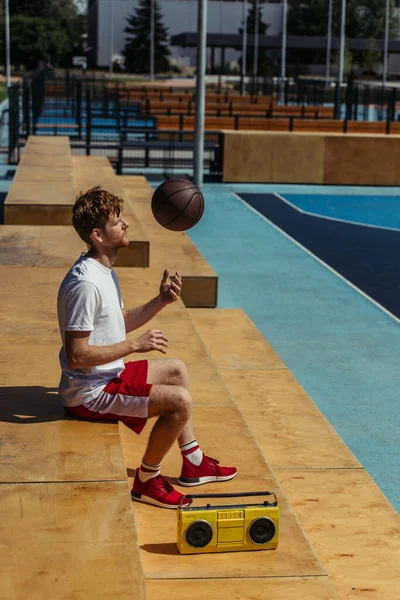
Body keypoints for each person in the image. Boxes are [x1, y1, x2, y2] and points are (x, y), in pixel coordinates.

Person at [57, 186, 237, 509]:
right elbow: (77, 354)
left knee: (176, 370)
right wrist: (134, 346)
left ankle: (193, 461)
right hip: (90, 394)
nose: (125, 224)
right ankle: (148, 479)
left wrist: (161, 300)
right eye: (117, 221)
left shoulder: (103, 271)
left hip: (107, 377)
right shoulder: (85, 284)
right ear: (98, 234)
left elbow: (115, 324)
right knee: (180, 402)